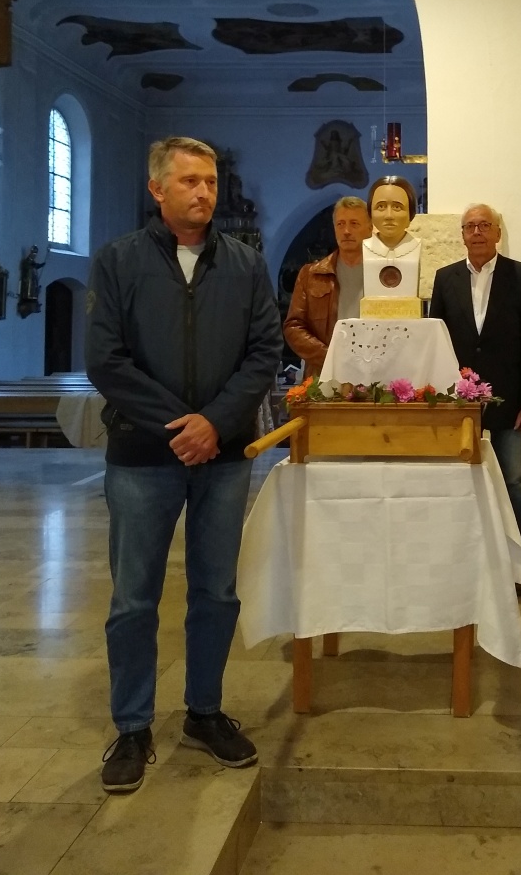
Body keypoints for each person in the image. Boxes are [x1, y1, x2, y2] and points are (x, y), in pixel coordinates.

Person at [85, 136, 282, 794]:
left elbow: (264, 352)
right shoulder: (119, 260)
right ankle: (132, 726)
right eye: (190, 181)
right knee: (133, 597)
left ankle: (204, 711)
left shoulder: (245, 264)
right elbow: (106, 360)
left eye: (211, 182)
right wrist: (181, 425)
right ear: (157, 188)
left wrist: (215, 423)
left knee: (216, 591)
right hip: (144, 455)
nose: (204, 192)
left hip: (222, 457)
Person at [430, 204, 521, 594]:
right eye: (470, 226)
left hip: (510, 401)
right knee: (461, 478)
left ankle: (517, 565)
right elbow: (437, 341)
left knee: (512, 482)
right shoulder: (445, 278)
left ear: (497, 233)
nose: (477, 232)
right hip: (460, 402)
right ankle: (467, 558)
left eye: (484, 225)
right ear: (462, 234)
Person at [284, 196, 373, 375]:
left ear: (370, 228)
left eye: (354, 224)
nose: (346, 231)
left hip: (373, 370)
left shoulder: (384, 274)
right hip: (323, 374)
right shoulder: (311, 275)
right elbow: (293, 327)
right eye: (340, 224)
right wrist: (331, 357)